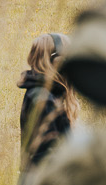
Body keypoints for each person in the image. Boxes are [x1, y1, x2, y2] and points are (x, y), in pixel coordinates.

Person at [17, 31, 76, 175]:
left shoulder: (45, 95)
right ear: (57, 62)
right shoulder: (42, 99)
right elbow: (46, 157)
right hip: (45, 184)